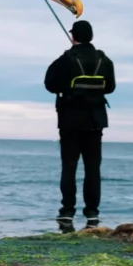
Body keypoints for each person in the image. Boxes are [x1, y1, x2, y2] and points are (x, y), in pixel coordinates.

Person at [44, 19, 115, 225]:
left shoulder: (66, 59)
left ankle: (67, 210)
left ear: (73, 37)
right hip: (95, 121)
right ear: (91, 36)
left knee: (69, 166)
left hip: (70, 121)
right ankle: (92, 212)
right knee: (93, 168)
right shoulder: (104, 60)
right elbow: (110, 87)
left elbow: (49, 83)